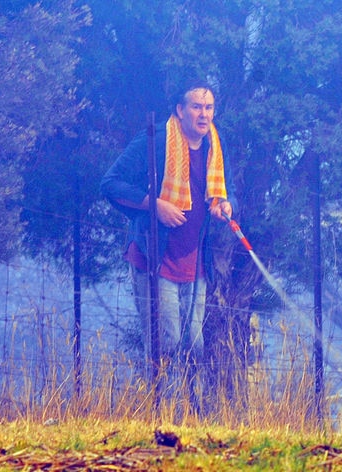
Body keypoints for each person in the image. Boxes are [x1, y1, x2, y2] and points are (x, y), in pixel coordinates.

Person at [100, 82, 235, 380]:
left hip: (196, 264)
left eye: (209, 107)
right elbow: (110, 183)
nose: (204, 115)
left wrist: (224, 205)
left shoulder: (214, 144)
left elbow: (228, 191)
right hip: (156, 260)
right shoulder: (157, 140)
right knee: (167, 346)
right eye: (196, 107)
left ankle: (191, 420)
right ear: (180, 110)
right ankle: (164, 419)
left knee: (195, 348)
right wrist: (154, 205)